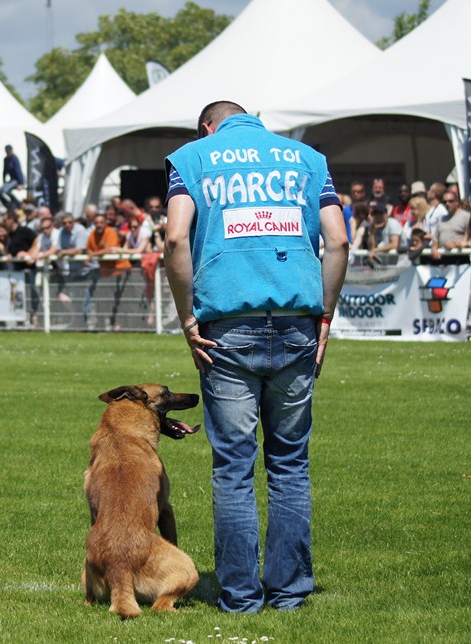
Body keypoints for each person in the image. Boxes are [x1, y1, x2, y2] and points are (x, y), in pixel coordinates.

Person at [163, 100, 348, 614]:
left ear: (207, 127)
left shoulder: (193, 158)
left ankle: (241, 597)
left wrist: (187, 319)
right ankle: (289, 593)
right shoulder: (307, 159)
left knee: (233, 469)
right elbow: (338, 239)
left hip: (226, 328)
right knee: (290, 465)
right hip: (295, 325)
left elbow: (176, 236)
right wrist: (325, 316)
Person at [430, 190, 470, 264]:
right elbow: (435, 240)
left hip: (460, 259)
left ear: (457, 202)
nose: (447, 204)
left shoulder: (466, 216)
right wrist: (434, 248)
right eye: (444, 202)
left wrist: (455, 245)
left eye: (450, 201)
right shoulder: (441, 218)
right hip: (442, 259)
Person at [0, 144, 24, 211]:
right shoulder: (6, 159)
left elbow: (19, 171)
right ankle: (8, 204)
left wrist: (21, 184)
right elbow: (4, 171)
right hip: (11, 180)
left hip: (16, 180)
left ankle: (17, 203)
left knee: (6, 191)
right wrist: (4, 182)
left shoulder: (15, 159)